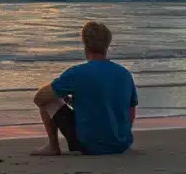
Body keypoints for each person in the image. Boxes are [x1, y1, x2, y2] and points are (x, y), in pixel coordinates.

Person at [31, 21, 138, 156]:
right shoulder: (124, 74)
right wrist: (76, 101)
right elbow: (130, 113)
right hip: (121, 144)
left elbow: (39, 98)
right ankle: (115, 137)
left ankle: (53, 146)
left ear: (85, 44)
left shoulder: (76, 73)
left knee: (47, 99)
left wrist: (60, 93)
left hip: (89, 145)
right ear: (107, 45)